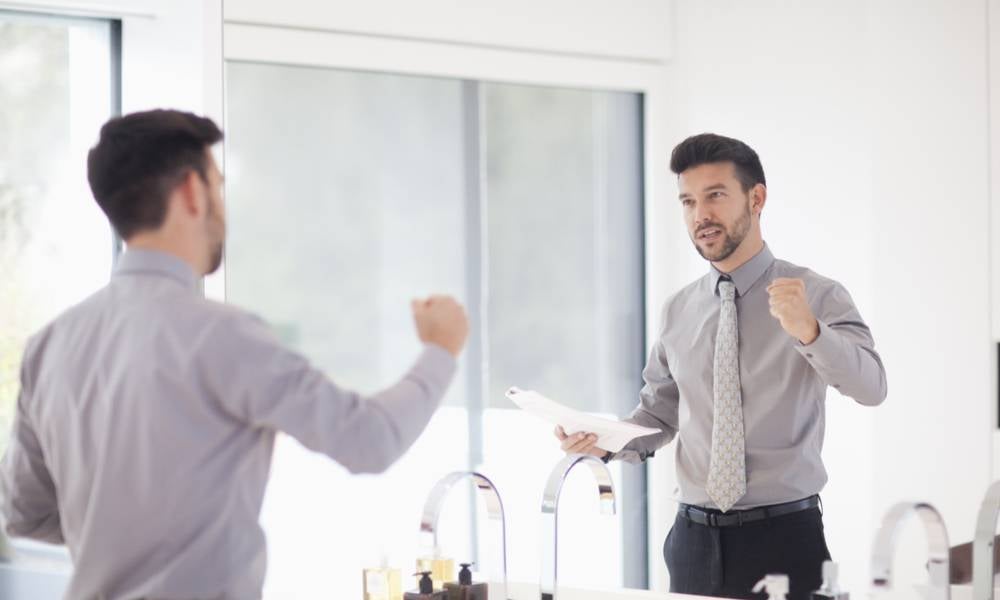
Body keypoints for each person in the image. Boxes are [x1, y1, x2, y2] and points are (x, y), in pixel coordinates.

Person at [0, 109, 469, 600]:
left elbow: (23, 514)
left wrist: (112, 533)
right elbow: (370, 440)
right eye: (218, 186)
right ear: (191, 191)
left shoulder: (49, 346)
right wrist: (440, 351)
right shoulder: (224, 337)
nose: (222, 206)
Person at [556, 133, 887, 600]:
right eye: (688, 201)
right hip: (692, 542)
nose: (700, 215)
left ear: (757, 199)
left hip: (786, 537)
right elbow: (656, 416)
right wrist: (601, 442)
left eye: (715, 195)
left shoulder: (816, 295)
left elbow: (872, 387)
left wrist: (810, 331)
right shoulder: (679, 309)